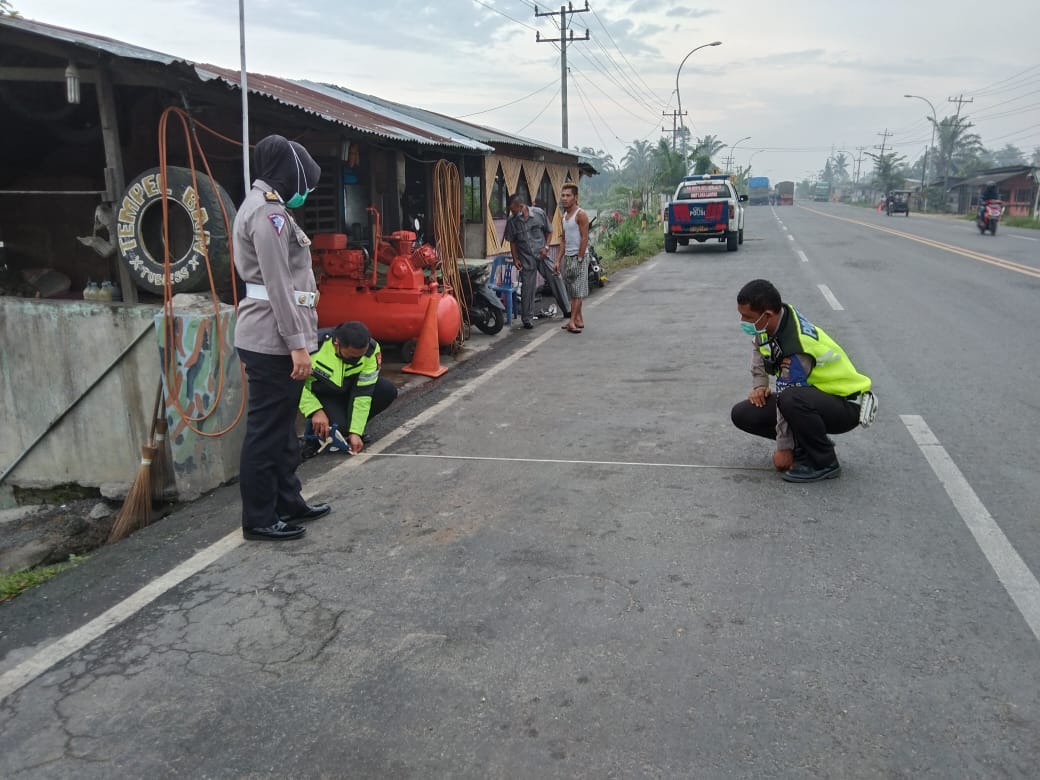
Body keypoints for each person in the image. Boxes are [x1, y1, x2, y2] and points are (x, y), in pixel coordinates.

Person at [232, 134, 331, 541]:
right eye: (304, 180)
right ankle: (258, 517)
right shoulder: (266, 214)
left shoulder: (270, 209)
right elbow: (277, 284)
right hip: (271, 339)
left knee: (283, 429)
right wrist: (296, 344)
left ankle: (288, 501)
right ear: (291, 172)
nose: (305, 190)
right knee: (267, 433)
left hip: (278, 336)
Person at [730, 279, 874, 483]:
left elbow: (785, 397)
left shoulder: (797, 346)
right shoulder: (773, 323)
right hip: (813, 397)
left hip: (847, 404)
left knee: (790, 398)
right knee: (744, 413)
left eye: (747, 317)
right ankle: (806, 446)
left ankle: (825, 461)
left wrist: (783, 448)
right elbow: (758, 348)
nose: (743, 321)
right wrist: (760, 385)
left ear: (767, 315)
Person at [299, 320, 398, 455]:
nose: (356, 360)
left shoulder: (371, 351)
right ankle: (314, 433)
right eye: (352, 356)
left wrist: (356, 431)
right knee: (339, 426)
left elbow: (363, 394)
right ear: (336, 344)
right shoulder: (313, 346)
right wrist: (315, 410)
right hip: (320, 393)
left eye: (360, 356)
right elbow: (292, 384)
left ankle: (346, 430)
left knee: (386, 390)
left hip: (350, 390)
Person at [503, 194, 571, 329]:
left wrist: (546, 247)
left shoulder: (539, 213)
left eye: (513, 210)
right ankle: (527, 320)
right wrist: (516, 259)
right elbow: (512, 242)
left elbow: (549, 231)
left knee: (555, 276)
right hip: (526, 258)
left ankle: (567, 309)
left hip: (542, 255)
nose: (512, 213)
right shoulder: (512, 222)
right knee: (528, 288)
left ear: (521, 207)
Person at [559, 183, 590, 334]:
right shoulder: (564, 217)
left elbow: (584, 238)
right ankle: (579, 319)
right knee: (572, 290)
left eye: (568, 195)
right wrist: (558, 260)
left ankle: (572, 321)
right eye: (563, 195)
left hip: (580, 256)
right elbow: (563, 240)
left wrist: (579, 258)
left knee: (577, 290)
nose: (564, 198)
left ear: (575, 197)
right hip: (568, 257)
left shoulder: (581, 214)